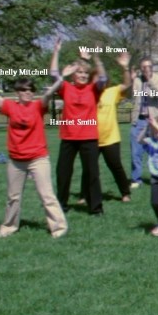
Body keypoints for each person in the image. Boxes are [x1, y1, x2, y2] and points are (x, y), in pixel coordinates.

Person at [0, 75, 69, 238]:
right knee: (13, 197)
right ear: (17, 92)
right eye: (23, 90)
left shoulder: (38, 106)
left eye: (31, 89)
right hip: (16, 160)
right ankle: (9, 226)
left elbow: (47, 95)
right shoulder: (10, 107)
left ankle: (59, 228)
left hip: (38, 158)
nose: (27, 92)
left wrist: (60, 80)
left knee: (46, 195)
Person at [50, 40, 106, 215]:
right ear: (73, 75)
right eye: (79, 72)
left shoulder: (93, 90)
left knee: (92, 174)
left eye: (85, 73)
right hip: (68, 137)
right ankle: (62, 205)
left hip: (88, 137)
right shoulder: (66, 88)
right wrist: (56, 51)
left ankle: (95, 208)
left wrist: (96, 58)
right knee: (63, 173)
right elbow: (53, 75)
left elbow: (103, 78)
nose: (82, 75)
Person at [81, 52, 133, 204]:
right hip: (91, 138)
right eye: (96, 77)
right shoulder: (88, 93)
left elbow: (127, 84)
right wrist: (84, 60)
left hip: (110, 138)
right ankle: (84, 195)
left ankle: (125, 193)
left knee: (115, 166)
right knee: (89, 169)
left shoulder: (112, 91)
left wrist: (125, 68)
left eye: (101, 77)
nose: (99, 80)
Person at [129, 56, 158, 189]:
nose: (147, 69)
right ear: (141, 68)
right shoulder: (137, 81)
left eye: (149, 66)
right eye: (144, 67)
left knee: (157, 151)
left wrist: (150, 81)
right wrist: (131, 80)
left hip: (156, 121)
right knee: (135, 152)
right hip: (139, 120)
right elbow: (131, 96)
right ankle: (136, 179)